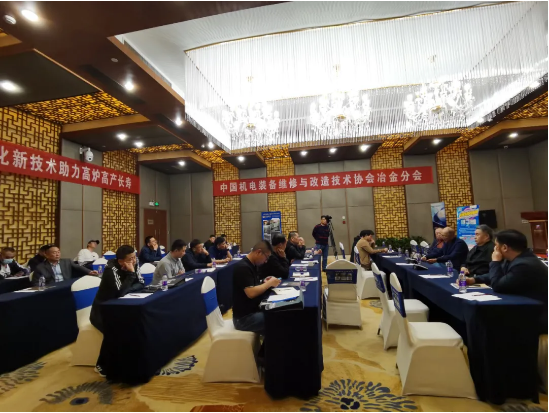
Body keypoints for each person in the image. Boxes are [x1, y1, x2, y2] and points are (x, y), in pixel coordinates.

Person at [472, 230, 547, 332]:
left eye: (496, 245)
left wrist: (495, 262)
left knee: (485, 320)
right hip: (524, 307)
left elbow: (498, 286)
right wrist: (475, 279)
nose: (494, 249)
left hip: (536, 315)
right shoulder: (517, 258)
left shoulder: (524, 265)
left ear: (504, 248)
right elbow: (500, 274)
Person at [90, 245, 145, 376]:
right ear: (120, 261)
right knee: (117, 328)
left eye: (134, 257)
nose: (134, 260)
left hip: (123, 306)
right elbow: (120, 292)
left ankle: (132, 361)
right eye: (130, 259)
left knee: (139, 322)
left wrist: (129, 287)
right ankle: (102, 365)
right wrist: (130, 274)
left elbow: (141, 283)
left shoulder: (134, 263)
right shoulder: (111, 270)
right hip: (102, 311)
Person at [233, 240, 280, 334]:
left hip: (253, 311)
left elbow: (252, 284)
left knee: (280, 313)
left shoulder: (252, 265)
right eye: (266, 257)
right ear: (258, 252)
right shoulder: (243, 267)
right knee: (278, 318)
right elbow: (251, 293)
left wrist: (263, 281)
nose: (266, 261)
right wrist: (269, 283)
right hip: (244, 319)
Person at [33, 245, 97, 285]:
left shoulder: (67, 262)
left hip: (65, 286)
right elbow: (36, 283)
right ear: (47, 255)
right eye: (54, 253)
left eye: (58, 252)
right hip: (51, 289)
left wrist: (90, 272)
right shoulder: (40, 267)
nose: (57, 254)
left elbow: (78, 267)